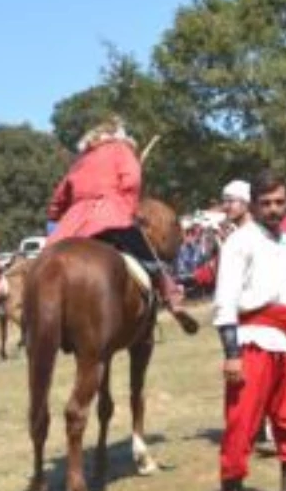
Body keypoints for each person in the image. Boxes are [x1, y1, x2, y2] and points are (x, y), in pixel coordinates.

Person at [211, 171, 286, 491]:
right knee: (243, 423)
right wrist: (232, 353)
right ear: (254, 204)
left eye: (279, 202)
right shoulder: (239, 242)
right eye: (266, 203)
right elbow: (225, 301)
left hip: (285, 341)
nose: (273, 209)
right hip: (251, 340)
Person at [45, 116, 197, 332]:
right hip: (111, 215)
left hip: (75, 224)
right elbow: (131, 181)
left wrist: (59, 216)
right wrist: (128, 208)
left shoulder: (81, 161)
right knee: (149, 259)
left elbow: (59, 198)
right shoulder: (121, 150)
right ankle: (172, 299)